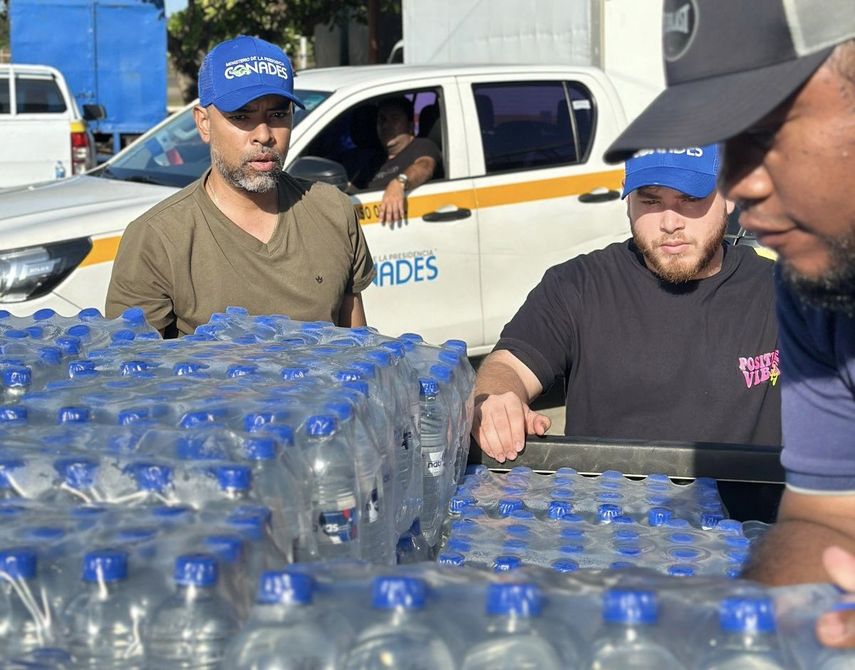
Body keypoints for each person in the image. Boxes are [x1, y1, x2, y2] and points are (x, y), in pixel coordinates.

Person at [604, 0, 855, 649]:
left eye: (764, 130)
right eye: (722, 140)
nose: (735, 183)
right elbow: (825, 521)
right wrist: (745, 647)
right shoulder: (815, 288)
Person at [472, 144, 780, 464]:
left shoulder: (782, 296)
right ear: (627, 200)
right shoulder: (579, 285)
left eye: (690, 198)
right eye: (650, 201)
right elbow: (509, 366)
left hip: (748, 512)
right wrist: (496, 400)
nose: (670, 222)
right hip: (609, 510)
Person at [105, 35, 375, 336]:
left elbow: (357, 351)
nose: (263, 134)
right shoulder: (157, 238)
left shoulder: (333, 211)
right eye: (241, 116)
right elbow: (133, 375)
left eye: (277, 114)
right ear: (204, 123)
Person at [362, 96, 440, 226]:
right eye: (382, 119)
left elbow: (425, 166)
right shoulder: (372, 160)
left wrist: (399, 183)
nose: (386, 125)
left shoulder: (422, 146)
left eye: (395, 118)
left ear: (410, 125)